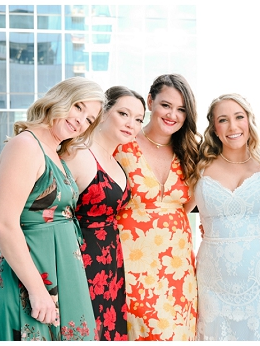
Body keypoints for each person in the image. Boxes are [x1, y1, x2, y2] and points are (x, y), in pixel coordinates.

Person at [0, 77, 104, 341]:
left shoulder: (55, 153)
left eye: (90, 119)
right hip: (27, 288)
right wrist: (38, 291)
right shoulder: (26, 145)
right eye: (78, 107)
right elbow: (2, 223)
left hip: (58, 282)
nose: (81, 120)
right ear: (60, 99)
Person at [114, 74, 201, 341]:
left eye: (181, 109)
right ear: (150, 101)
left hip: (178, 267)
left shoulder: (191, 151)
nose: (173, 115)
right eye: (166, 105)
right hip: (131, 262)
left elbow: (184, 207)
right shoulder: (122, 143)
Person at [194, 93, 260, 340]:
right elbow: (178, 207)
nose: (233, 127)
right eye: (223, 120)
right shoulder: (199, 165)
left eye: (239, 117)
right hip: (214, 279)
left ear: (249, 120)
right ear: (214, 127)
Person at [64, 85, 142, 341]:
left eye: (139, 119)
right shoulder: (77, 153)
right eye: (124, 113)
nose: (132, 123)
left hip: (111, 261)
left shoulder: (117, 161)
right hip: (80, 260)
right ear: (104, 112)